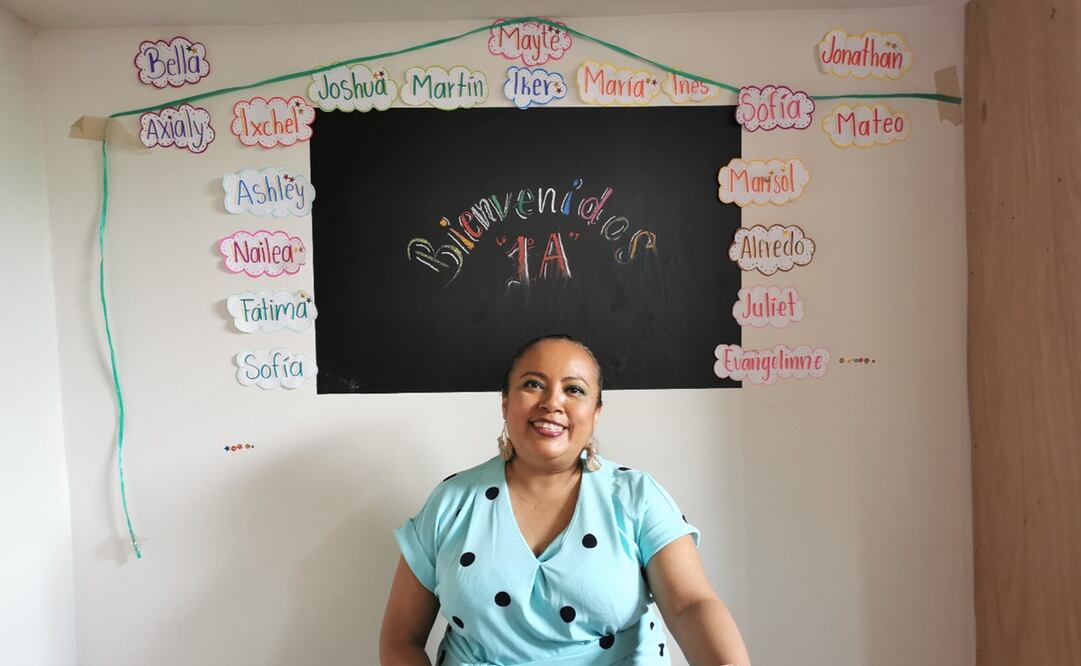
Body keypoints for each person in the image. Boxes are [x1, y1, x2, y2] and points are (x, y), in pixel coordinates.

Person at [380, 334, 751, 665]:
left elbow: (690, 605)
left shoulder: (636, 498)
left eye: (574, 390)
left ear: (596, 413)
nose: (551, 403)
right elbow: (401, 640)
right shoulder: (451, 503)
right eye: (532, 384)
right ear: (505, 402)